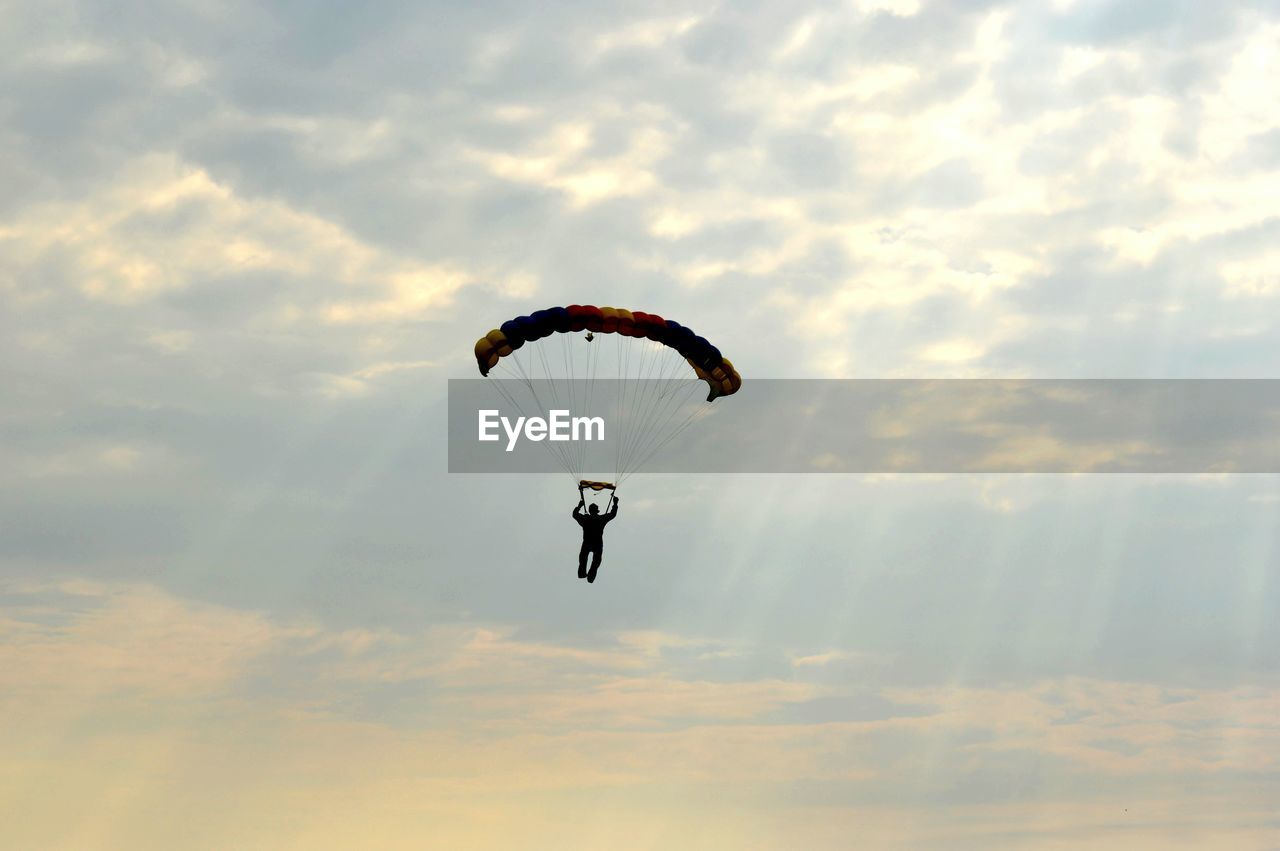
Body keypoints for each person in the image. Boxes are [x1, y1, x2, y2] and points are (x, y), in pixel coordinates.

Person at [573, 489, 618, 583]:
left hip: (588, 543)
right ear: (597, 511)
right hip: (597, 544)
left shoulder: (585, 518)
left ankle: (582, 573)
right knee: (596, 562)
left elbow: (575, 514)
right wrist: (615, 503)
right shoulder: (601, 518)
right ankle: (590, 576)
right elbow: (613, 514)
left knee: (583, 558)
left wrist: (579, 506)